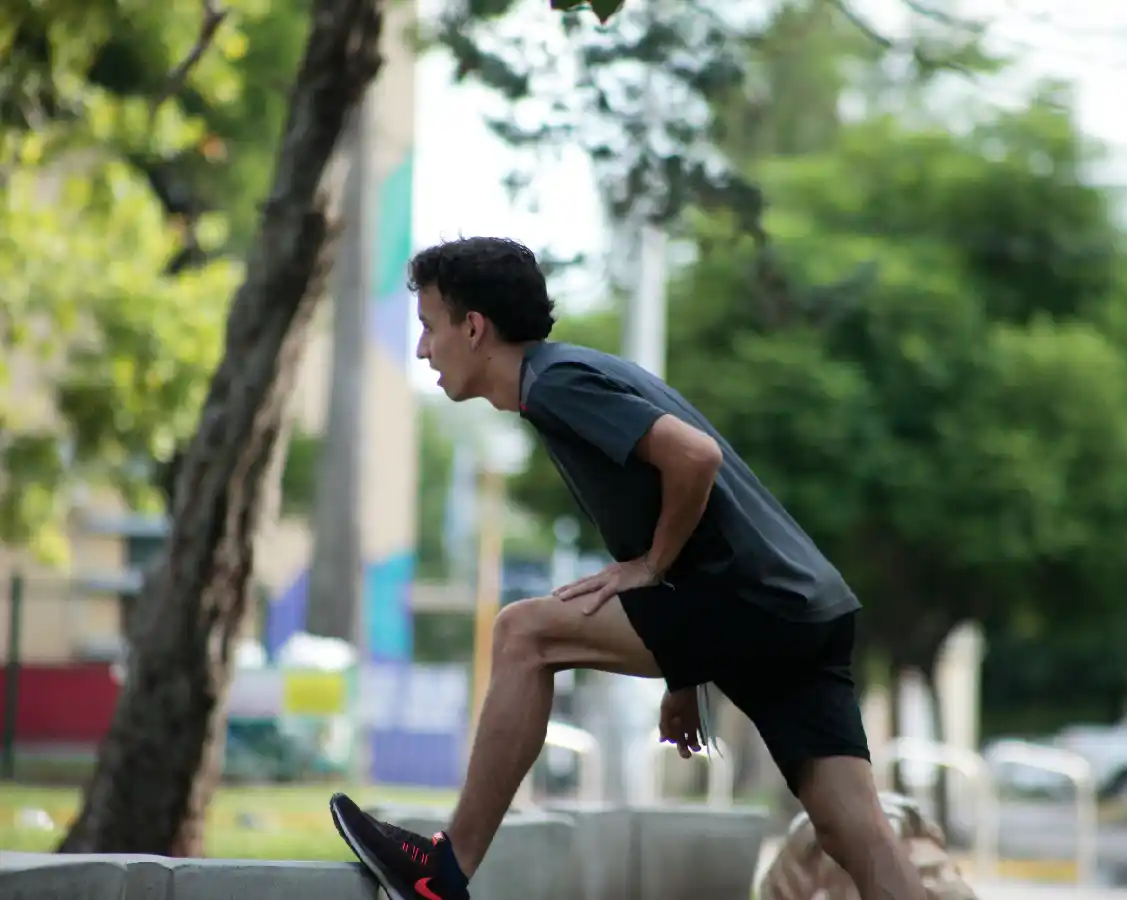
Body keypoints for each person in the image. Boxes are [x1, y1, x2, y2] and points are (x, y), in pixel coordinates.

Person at [328, 237, 928, 900]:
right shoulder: (572, 376)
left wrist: (650, 566)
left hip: (756, 603)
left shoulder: (556, 383)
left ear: (473, 329)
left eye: (428, 329)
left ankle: (445, 869)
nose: (422, 351)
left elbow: (695, 458)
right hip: (806, 607)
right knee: (856, 834)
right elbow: (676, 504)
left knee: (524, 635)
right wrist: (682, 668)